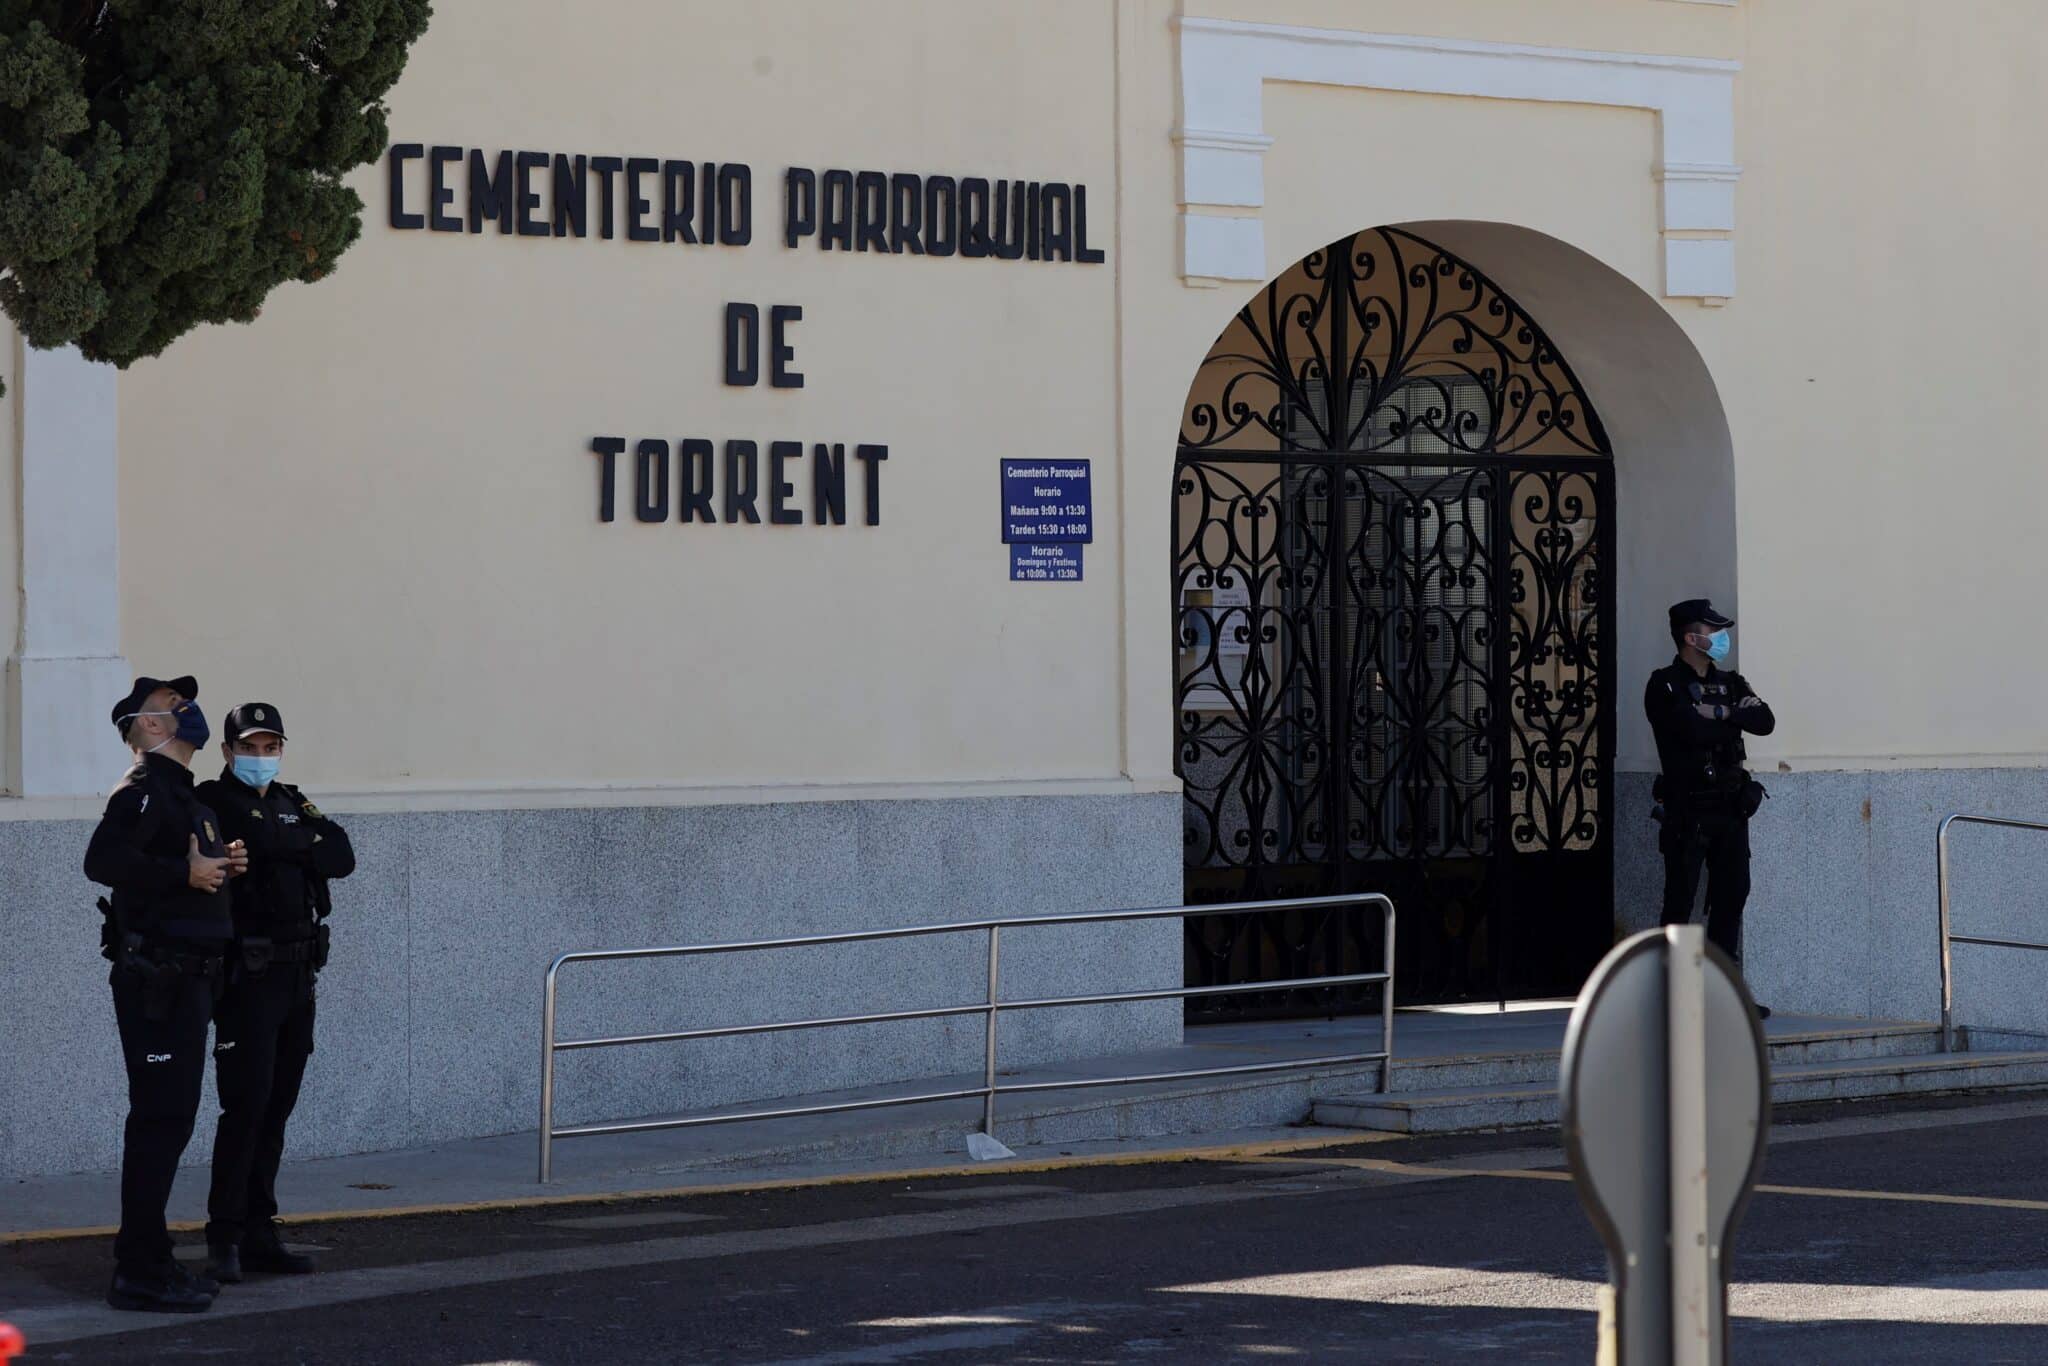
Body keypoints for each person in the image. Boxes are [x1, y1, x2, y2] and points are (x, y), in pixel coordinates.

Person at [84, 676, 247, 1313]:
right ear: (151, 724)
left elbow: (187, 883)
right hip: (159, 983)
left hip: (192, 982)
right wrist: (184, 871)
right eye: (177, 705)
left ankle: (152, 1260)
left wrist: (221, 866)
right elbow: (101, 861)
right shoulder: (144, 787)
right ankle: (139, 1272)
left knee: (172, 1119)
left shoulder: (187, 799)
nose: (190, 711)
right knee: (158, 1120)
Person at [195, 703, 355, 1283]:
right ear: (228, 750)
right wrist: (292, 841)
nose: (261, 758)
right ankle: (225, 1238)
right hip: (248, 978)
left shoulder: (291, 799)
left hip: (298, 975)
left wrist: (275, 840)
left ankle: (261, 1232)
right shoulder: (212, 802)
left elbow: (342, 855)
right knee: (246, 1107)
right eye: (250, 747)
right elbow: (259, 851)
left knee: (278, 1109)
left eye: (270, 747)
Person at [1645, 600, 1777, 1014]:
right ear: (1690, 637)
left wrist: (1719, 710)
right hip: (1689, 810)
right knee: (1680, 900)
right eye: (1713, 630)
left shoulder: (1732, 683)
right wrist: (1732, 717)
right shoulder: (1664, 684)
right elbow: (1690, 730)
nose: (1721, 638)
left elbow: (1766, 721)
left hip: (1731, 809)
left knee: (1732, 894)